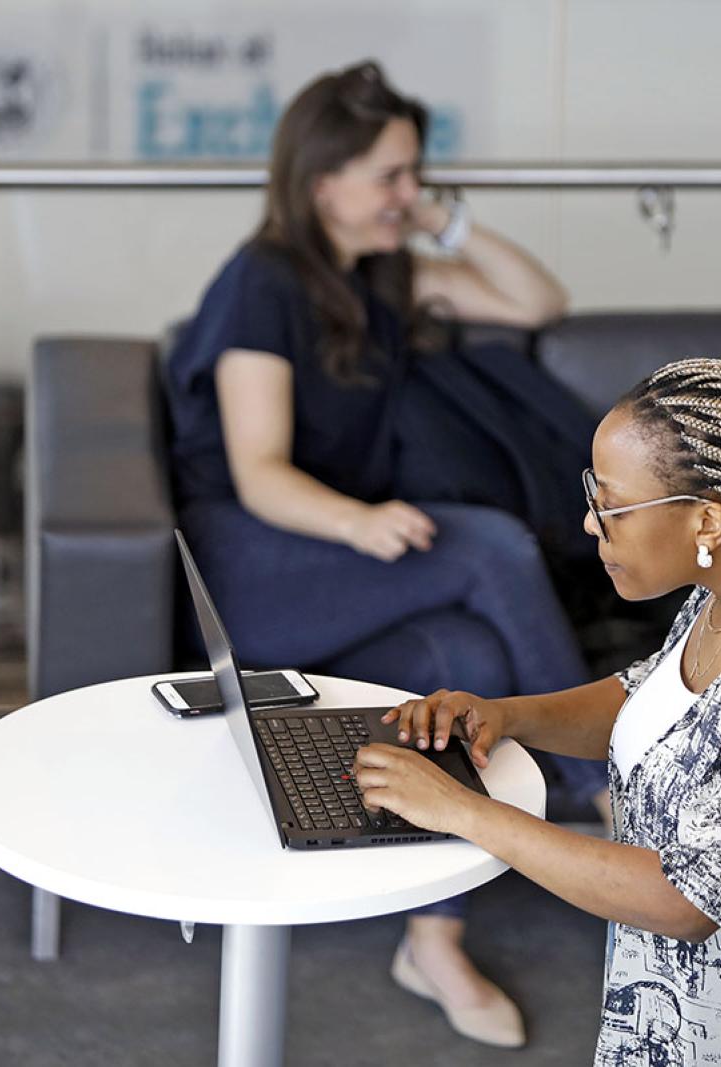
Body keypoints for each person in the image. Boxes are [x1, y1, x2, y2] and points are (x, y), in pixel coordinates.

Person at [163, 60, 608, 1049]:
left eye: (416, 174)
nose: (410, 194)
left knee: (474, 667)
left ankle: (433, 940)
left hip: (336, 564)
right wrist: (359, 522)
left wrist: (442, 225)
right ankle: (607, 789)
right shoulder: (261, 283)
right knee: (487, 546)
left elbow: (539, 299)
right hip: (255, 566)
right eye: (394, 177)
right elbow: (258, 470)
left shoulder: (376, 278)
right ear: (324, 179)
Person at [353, 358, 721, 1064]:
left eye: (612, 505)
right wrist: (507, 716)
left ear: (708, 520)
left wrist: (463, 811)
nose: (590, 523)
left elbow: (687, 899)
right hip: (675, 1016)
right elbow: (657, 700)